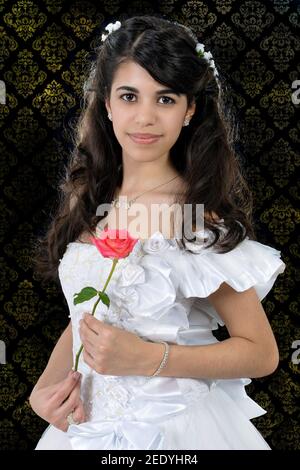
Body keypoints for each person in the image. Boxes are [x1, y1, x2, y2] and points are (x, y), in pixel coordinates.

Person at [30, 15, 286, 450]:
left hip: (173, 431)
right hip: (86, 426)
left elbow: (261, 353)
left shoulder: (194, 219)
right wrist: (44, 389)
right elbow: (89, 313)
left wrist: (149, 358)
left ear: (189, 110)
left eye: (165, 99)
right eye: (130, 96)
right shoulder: (90, 202)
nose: (145, 117)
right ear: (107, 104)